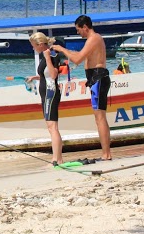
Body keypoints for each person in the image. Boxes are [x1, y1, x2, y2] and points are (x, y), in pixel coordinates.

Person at [52, 15, 112, 161]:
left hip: (98, 77)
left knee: (100, 118)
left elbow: (77, 59)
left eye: (79, 30)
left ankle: (106, 154)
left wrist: (61, 48)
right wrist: (64, 50)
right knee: (99, 117)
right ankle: (106, 153)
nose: (78, 33)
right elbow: (79, 55)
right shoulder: (92, 40)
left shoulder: (94, 38)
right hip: (95, 78)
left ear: (85, 27)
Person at [26, 32, 63, 166]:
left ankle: (56, 159)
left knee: (53, 126)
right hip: (46, 92)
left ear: (40, 44)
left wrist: (47, 58)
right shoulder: (45, 55)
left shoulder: (51, 54)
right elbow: (45, 75)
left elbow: (53, 75)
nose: (33, 48)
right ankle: (57, 158)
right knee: (50, 126)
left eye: (33, 46)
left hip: (50, 93)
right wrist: (34, 77)